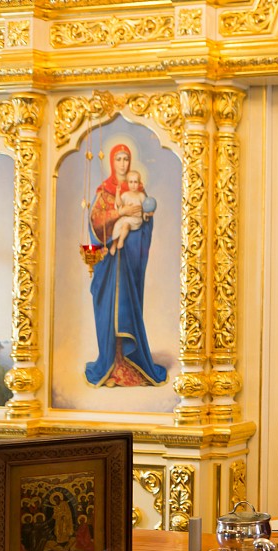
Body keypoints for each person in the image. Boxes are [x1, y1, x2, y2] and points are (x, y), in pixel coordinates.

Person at [86, 144, 168, 388]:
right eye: (118, 159)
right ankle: (111, 365)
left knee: (126, 308)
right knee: (111, 308)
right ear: (112, 162)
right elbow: (95, 222)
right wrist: (119, 214)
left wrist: (145, 218)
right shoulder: (104, 192)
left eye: (126, 159)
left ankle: (128, 364)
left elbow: (144, 222)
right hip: (110, 262)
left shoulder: (139, 191)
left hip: (130, 257)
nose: (122, 163)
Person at [110, 170, 148, 250]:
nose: (133, 185)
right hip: (125, 217)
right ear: (127, 183)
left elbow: (145, 208)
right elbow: (119, 204)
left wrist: (145, 215)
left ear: (139, 183)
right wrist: (117, 192)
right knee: (117, 225)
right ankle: (114, 243)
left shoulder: (141, 196)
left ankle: (121, 241)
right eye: (131, 182)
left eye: (135, 182)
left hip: (135, 219)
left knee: (126, 225)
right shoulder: (125, 195)